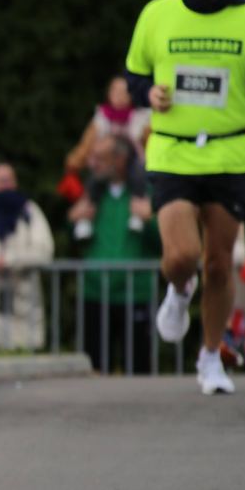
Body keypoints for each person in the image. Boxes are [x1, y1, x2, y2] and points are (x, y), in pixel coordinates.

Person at [126, 0, 245, 394]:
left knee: (219, 264)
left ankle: (210, 357)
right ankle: (179, 290)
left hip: (230, 153)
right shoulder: (157, 13)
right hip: (174, 150)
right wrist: (149, 93)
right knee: (181, 256)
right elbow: (134, 76)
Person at [68, 136, 158, 371]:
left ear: (120, 159)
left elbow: (163, 242)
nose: (93, 164)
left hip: (135, 293)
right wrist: (74, 220)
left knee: (138, 368)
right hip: (95, 292)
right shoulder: (92, 193)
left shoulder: (144, 192)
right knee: (95, 367)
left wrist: (149, 220)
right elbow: (75, 239)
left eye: (100, 158)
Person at [0, 161, 54, 349]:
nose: (5, 185)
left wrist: (10, 260)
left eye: (8, 180)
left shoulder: (29, 212)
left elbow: (44, 251)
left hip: (23, 306)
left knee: (25, 346)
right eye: (0, 180)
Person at [58, 75, 152, 201]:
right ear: (109, 94)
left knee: (139, 173)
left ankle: (139, 200)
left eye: (124, 92)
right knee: (94, 178)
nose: (119, 96)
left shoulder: (140, 118)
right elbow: (87, 144)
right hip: (105, 163)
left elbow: (151, 144)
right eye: (115, 92)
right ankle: (90, 204)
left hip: (132, 162)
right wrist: (74, 163)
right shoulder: (101, 118)